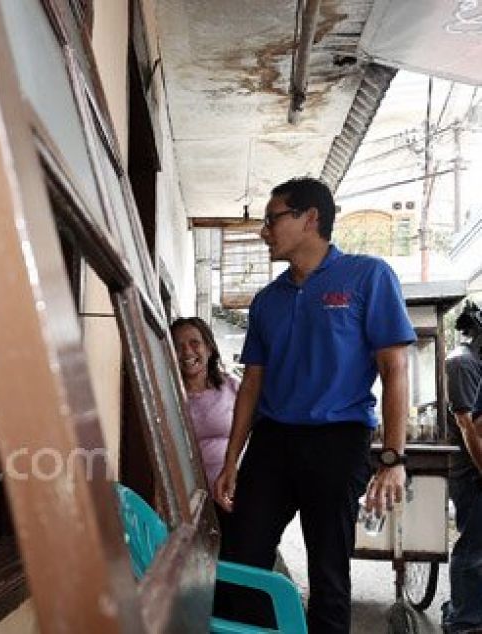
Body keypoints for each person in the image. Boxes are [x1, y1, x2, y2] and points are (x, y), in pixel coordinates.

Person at [213, 177, 414, 633]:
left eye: (272, 219)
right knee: (241, 559)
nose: (265, 231)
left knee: (328, 573)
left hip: (338, 440)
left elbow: (394, 370)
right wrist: (232, 461)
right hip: (272, 442)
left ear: (310, 218)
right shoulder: (267, 301)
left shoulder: (367, 276)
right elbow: (251, 386)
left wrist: (393, 459)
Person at [442, 300, 482, 633]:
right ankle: (462, 621)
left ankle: (467, 610)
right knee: (472, 547)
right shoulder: (462, 363)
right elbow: (468, 425)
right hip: (471, 471)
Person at [170, 317, 239, 496]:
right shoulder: (167, 396)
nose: (186, 352)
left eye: (195, 343)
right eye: (178, 346)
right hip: (186, 500)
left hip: (233, 492)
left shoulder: (233, 388)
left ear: (209, 348)